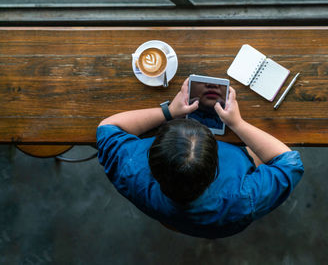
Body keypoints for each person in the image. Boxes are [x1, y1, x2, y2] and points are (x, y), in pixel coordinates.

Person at [97, 78, 304, 239]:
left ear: (152, 156)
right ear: (215, 167)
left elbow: (107, 127)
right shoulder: (243, 199)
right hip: (223, 224)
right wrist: (237, 124)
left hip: (169, 216)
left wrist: (169, 112)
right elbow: (289, 162)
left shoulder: (130, 169)